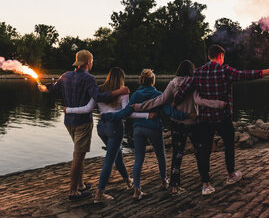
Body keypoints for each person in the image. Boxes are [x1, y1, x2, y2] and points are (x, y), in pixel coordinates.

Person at [173, 45, 269, 194]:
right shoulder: (225, 70)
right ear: (220, 56)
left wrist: (173, 103)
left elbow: (183, 91)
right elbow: (247, 75)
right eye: (223, 57)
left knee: (204, 151)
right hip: (223, 117)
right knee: (229, 145)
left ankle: (206, 184)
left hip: (205, 119)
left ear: (209, 56)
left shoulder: (198, 72)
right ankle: (231, 175)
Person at [38, 50, 129, 200]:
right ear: (88, 63)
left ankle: (80, 185)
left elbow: (52, 88)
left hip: (69, 122)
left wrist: (43, 87)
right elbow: (98, 97)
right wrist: (118, 91)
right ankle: (73, 191)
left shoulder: (65, 76)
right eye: (92, 61)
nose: (92, 63)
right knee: (78, 156)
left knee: (80, 153)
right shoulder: (89, 78)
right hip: (83, 123)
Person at [131, 60, 226, 196]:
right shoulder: (195, 83)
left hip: (177, 124)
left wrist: (140, 107)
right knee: (200, 153)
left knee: (177, 154)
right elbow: (201, 101)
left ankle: (175, 186)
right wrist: (218, 105)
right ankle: (206, 183)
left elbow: (160, 100)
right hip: (194, 123)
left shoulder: (173, 83)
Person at [64, 67, 157, 203]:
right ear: (121, 78)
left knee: (116, 153)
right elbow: (128, 113)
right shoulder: (123, 92)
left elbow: (87, 108)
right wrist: (148, 115)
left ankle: (127, 181)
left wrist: (69, 110)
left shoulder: (99, 90)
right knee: (109, 160)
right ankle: (99, 193)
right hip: (115, 128)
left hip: (101, 128)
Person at [101, 69, 191, 200]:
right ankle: (164, 181)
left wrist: (108, 116)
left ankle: (137, 189)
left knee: (139, 159)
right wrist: (188, 115)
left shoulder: (136, 95)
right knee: (160, 155)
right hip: (154, 128)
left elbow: (125, 112)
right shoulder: (159, 94)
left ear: (141, 80)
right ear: (153, 81)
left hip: (138, 129)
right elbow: (170, 113)